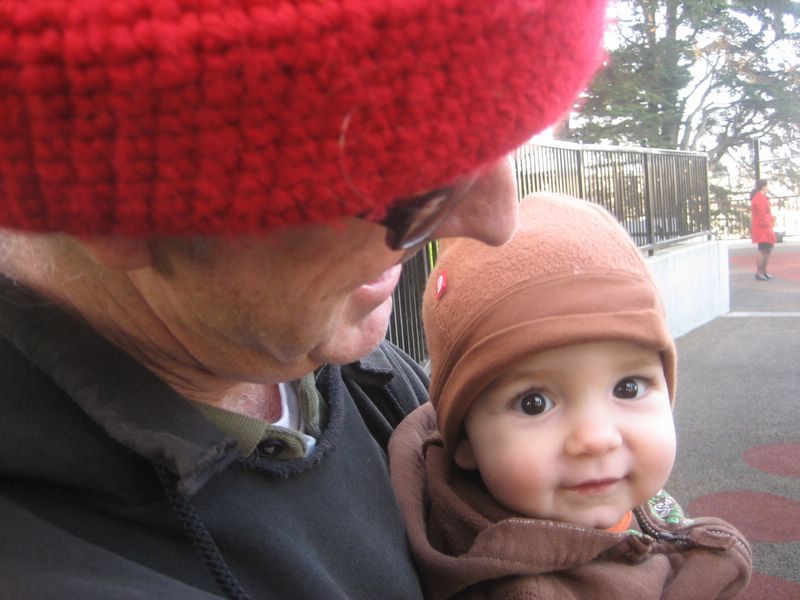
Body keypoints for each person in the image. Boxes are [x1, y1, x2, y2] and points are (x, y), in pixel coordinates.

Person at [0, 1, 610, 598]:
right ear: (117, 210)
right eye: (415, 179)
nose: (497, 224)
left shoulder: (324, 348)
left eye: (507, 141)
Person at [389, 194, 753, 600]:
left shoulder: (622, 499)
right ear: (465, 441)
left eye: (628, 388)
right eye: (534, 403)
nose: (597, 438)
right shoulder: (526, 591)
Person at [750, 179, 777, 280]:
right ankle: (759, 272)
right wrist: (767, 223)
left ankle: (764, 271)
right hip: (762, 228)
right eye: (767, 185)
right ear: (763, 186)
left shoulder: (762, 197)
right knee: (762, 250)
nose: (768, 188)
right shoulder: (759, 198)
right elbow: (760, 214)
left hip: (766, 227)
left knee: (767, 249)